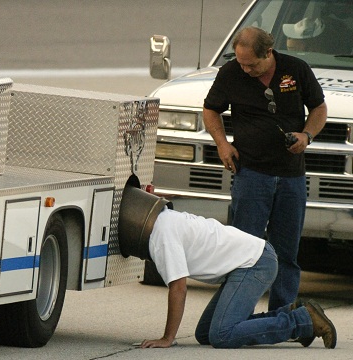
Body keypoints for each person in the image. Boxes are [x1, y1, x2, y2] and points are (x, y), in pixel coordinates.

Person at [202, 26, 327, 311]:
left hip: (290, 176)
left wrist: (306, 135)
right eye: (241, 62)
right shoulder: (231, 73)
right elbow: (210, 110)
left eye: (251, 64)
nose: (245, 69)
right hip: (251, 175)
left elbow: (319, 109)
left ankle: (282, 316)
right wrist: (222, 143)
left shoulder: (296, 69)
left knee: (286, 252)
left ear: (268, 52)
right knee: (241, 249)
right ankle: (234, 313)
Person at [136, 206, 337, 349]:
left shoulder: (161, 236)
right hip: (247, 263)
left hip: (256, 262)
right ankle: (292, 312)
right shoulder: (166, 218)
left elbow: (178, 288)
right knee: (205, 333)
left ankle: (301, 321)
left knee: (222, 335)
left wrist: (167, 338)